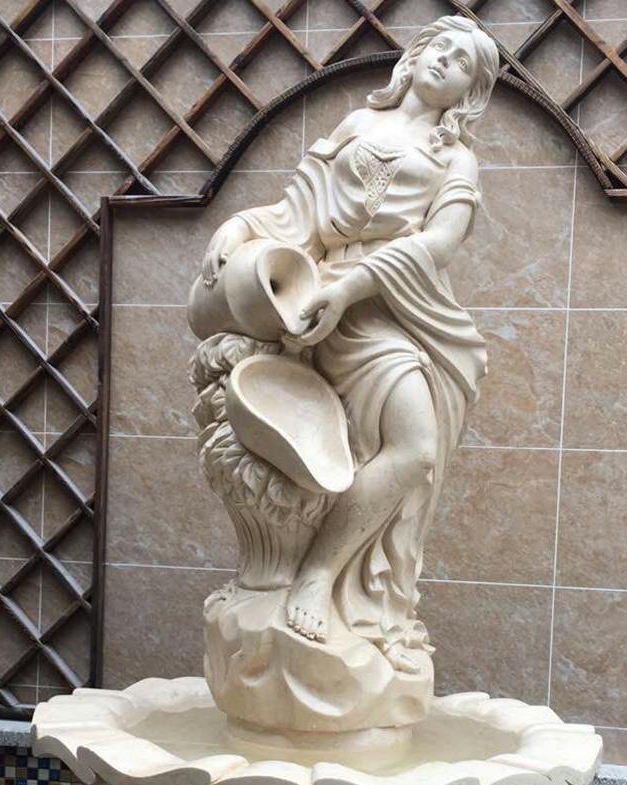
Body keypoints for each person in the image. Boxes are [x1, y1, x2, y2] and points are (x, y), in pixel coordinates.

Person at [199, 15, 500, 675]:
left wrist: (355, 286)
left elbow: (440, 243)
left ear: (469, 93)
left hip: (388, 307)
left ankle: (320, 577)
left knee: (416, 447)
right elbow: (295, 214)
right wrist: (239, 226)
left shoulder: (456, 158)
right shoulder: (358, 126)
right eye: (440, 47)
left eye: (463, 63)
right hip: (313, 301)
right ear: (417, 55)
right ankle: (294, 582)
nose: (446, 61)